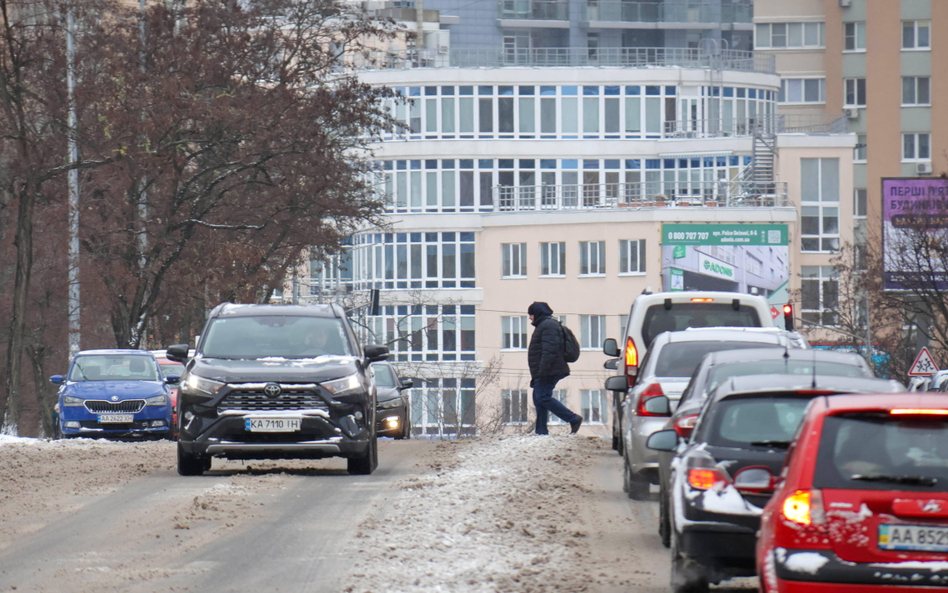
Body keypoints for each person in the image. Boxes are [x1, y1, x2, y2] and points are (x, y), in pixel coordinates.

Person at [527, 301, 583, 435]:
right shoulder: (544, 325)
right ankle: (541, 431)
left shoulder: (548, 325)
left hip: (549, 370)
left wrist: (543, 371)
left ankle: (573, 418)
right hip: (545, 370)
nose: (529, 317)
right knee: (538, 398)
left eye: (531, 314)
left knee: (543, 397)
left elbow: (549, 350)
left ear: (537, 313)